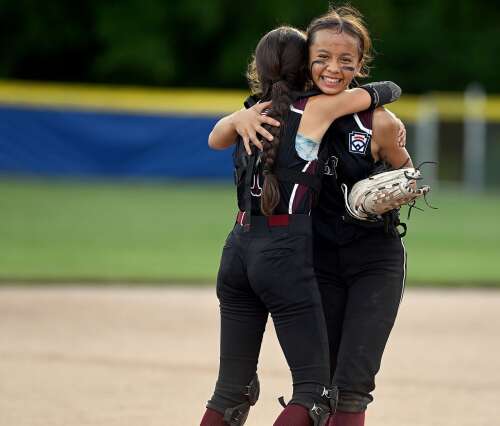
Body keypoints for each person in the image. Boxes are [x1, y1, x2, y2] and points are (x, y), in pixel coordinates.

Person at [200, 25, 401, 426]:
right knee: (314, 394)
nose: (332, 68)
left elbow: (213, 139)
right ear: (305, 67)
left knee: (229, 392)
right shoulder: (316, 109)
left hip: (237, 246)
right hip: (283, 251)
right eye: (320, 58)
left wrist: (236, 116)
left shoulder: (250, 113)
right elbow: (384, 89)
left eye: (346, 59)